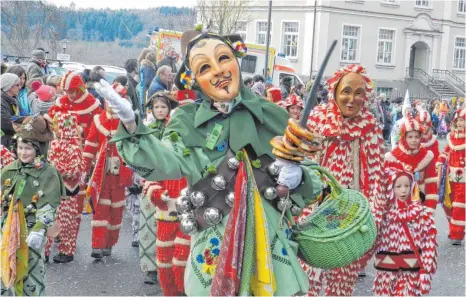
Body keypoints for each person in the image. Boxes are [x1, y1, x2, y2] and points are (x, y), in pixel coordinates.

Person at [101, 26, 323, 296]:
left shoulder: (273, 115)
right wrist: (132, 127)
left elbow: (311, 179)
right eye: (204, 67)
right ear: (193, 78)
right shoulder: (186, 121)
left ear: (236, 60)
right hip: (215, 245)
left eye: (223, 58)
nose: (217, 70)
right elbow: (165, 161)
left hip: (273, 245)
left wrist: (299, 176)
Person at [303, 64, 385, 296]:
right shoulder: (318, 119)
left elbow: (378, 175)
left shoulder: (370, 127)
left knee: (342, 280)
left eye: (359, 93)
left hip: (351, 216)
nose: (352, 99)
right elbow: (298, 164)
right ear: (335, 92)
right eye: (346, 91)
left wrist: (374, 217)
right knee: (306, 277)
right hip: (312, 211)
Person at [1, 115, 65, 296]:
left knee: (30, 274)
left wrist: (39, 229)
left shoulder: (48, 173)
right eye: (20, 148)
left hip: (30, 229)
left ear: (39, 149)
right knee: (3, 269)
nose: (23, 153)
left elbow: (49, 205)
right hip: (7, 227)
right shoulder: (11, 168)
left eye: (28, 148)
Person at [141, 92, 187, 290]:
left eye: (163, 107)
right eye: (156, 107)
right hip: (160, 191)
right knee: (151, 231)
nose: (160, 110)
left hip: (183, 203)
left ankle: (182, 286)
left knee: (182, 252)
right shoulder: (149, 130)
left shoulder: (189, 147)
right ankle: (151, 267)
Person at [83, 86, 134, 259]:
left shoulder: (128, 122)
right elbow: (90, 146)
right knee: (100, 207)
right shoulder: (98, 120)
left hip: (121, 172)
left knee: (116, 208)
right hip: (101, 172)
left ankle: (109, 243)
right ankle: (97, 245)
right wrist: (84, 168)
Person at [373, 168, 437, 296]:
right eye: (398, 186)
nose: (403, 190)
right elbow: (371, 240)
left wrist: (427, 266)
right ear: (389, 189)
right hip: (386, 270)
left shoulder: (420, 213)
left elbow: (430, 238)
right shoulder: (382, 215)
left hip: (410, 270)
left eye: (407, 186)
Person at [45, 104, 86, 263]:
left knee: (67, 221)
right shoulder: (54, 144)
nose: (54, 128)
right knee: (51, 218)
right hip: (54, 188)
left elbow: (76, 169)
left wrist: (55, 169)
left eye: (56, 125)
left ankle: (67, 250)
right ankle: (47, 249)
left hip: (69, 190)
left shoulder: (74, 146)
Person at [385, 116, 439, 212]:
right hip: (398, 207)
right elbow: (387, 186)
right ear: (403, 137)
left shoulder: (427, 157)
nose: (414, 140)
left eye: (417, 137)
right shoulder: (392, 157)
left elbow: (431, 185)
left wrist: (430, 210)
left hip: (421, 204)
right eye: (410, 137)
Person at [437, 107, 466, 245]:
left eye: (462, 121)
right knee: (448, 203)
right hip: (449, 176)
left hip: (462, 177)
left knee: (459, 205)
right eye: (458, 121)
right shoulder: (451, 137)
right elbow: (446, 151)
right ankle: (452, 229)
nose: (460, 123)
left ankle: (457, 234)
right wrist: (439, 161)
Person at [1, 73, 20, 149]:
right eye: (17, 85)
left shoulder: (13, 99)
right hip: (4, 141)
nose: (19, 87)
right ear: (9, 87)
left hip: (10, 138)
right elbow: (6, 123)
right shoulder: (1, 102)